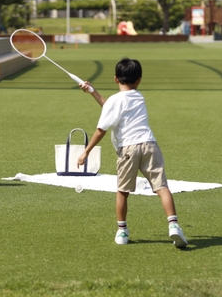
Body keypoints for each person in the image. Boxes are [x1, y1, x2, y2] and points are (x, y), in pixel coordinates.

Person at [77, 58, 187, 248]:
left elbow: (102, 129)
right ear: (139, 80)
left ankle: (122, 230)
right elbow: (112, 108)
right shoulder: (139, 97)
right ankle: (174, 225)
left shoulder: (114, 100)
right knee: (162, 187)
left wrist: (86, 152)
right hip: (150, 145)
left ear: (115, 79)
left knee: (122, 191)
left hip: (128, 149)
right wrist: (93, 92)